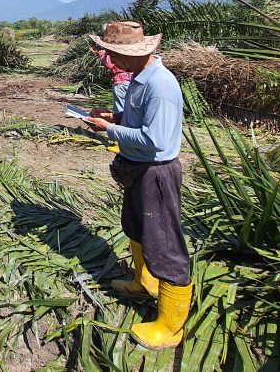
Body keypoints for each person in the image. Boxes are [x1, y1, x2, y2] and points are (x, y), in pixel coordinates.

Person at [81, 21, 192, 351]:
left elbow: (154, 138)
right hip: (137, 168)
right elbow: (138, 122)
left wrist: (109, 129)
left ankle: (171, 327)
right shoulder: (138, 81)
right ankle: (143, 282)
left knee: (165, 245)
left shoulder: (160, 86)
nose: (110, 59)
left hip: (155, 173)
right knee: (135, 227)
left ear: (130, 53)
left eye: (114, 53)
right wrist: (112, 119)